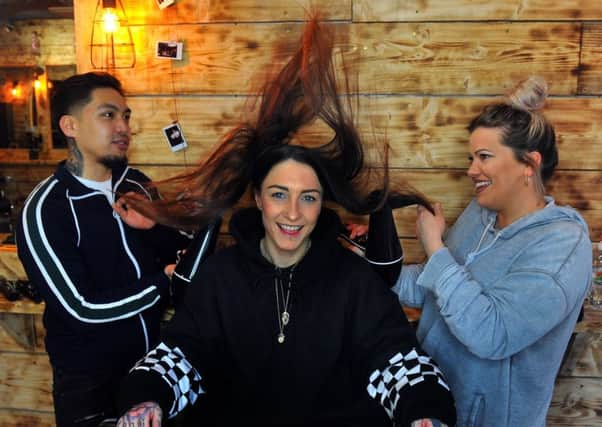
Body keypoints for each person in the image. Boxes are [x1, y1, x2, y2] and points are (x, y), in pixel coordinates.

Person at [115, 16, 456, 427]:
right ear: (258, 198)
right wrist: (148, 399)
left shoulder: (352, 279)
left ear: (321, 205)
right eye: (279, 195)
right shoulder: (222, 275)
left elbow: (396, 360)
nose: (293, 213)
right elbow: (183, 356)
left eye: (308, 198)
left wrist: (423, 413)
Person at [391, 76, 592, 426]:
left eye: (484, 157)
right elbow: (432, 288)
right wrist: (371, 261)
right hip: (430, 404)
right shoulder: (481, 213)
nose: (471, 170)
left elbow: (492, 335)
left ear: (529, 164)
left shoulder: (563, 245)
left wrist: (435, 247)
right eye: (472, 157)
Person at [16, 72, 191, 427]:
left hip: (153, 369)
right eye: (108, 115)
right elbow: (81, 309)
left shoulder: (137, 184)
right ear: (70, 125)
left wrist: (155, 227)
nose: (123, 126)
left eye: (125, 116)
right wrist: (162, 282)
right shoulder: (45, 209)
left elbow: (182, 252)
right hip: (88, 385)